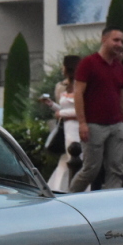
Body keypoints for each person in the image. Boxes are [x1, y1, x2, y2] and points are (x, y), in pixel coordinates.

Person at [69, 26, 123, 193]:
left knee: (116, 170)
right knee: (91, 170)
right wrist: (82, 123)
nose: (120, 44)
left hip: (116, 125)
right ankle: (69, 200)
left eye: (122, 41)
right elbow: (78, 93)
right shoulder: (88, 63)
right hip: (94, 125)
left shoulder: (119, 67)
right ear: (104, 39)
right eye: (116, 40)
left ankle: (112, 207)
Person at [44, 55, 81, 191]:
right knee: (65, 161)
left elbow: (81, 111)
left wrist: (62, 114)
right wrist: (52, 105)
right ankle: (59, 188)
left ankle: (61, 189)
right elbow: (65, 108)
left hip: (76, 129)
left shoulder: (80, 87)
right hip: (67, 129)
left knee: (72, 160)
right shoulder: (66, 87)